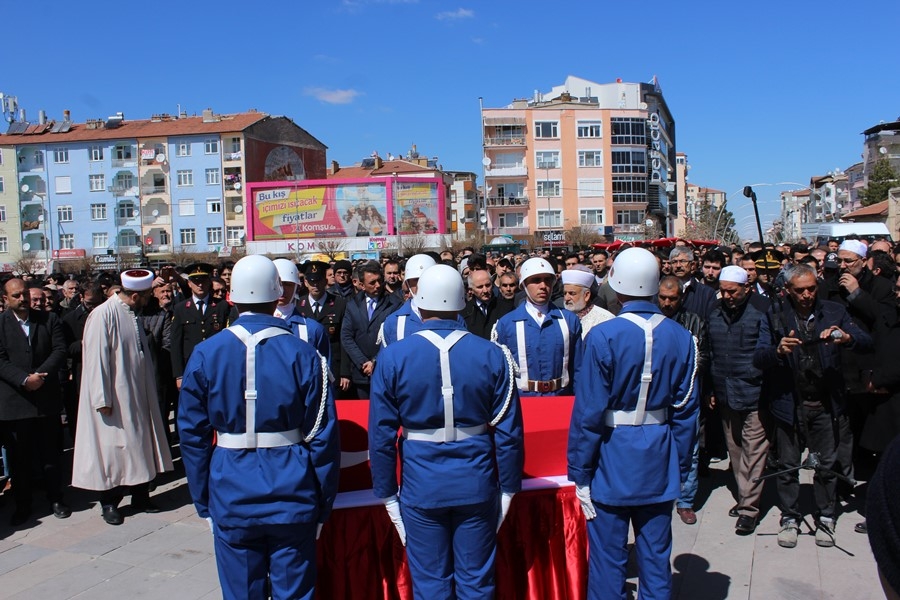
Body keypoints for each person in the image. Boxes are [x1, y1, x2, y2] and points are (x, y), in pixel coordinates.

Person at [178, 255, 340, 600]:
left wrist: (203, 499)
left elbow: (191, 436)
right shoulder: (304, 353)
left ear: (231, 297)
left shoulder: (206, 353)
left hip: (231, 489)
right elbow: (323, 435)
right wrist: (322, 501)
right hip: (291, 490)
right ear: (277, 294)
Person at [368, 264, 524, 599]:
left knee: (431, 585)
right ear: (461, 302)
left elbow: (381, 437)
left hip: (422, 486)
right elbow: (508, 433)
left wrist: (386, 493)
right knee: (476, 583)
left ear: (418, 301)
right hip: (476, 482)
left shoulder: (393, 357)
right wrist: (509, 487)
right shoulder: (492, 355)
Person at [568, 247, 699, 600]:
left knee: (608, 558)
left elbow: (589, 413)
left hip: (611, 455)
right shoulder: (681, 337)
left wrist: (579, 470)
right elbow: (687, 412)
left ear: (616, 283)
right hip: (658, 454)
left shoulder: (602, 336)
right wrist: (681, 464)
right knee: (655, 556)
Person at [754, 264, 872, 549]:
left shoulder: (834, 311)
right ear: (788, 290)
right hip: (789, 403)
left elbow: (867, 341)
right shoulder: (775, 314)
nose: (807, 294)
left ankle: (826, 516)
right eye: (800, 290)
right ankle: (790, 517)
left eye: (811, 288)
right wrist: (778, 351)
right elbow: (758, 358)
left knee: (826, 465)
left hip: (825, 403)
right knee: (788, 464)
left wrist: (847, 338)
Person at [71, 270, 174, 525]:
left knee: (140, 445)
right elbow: (96, 360)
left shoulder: (133, 314)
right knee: (114, 451)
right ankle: (109, 503)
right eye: (148, 294)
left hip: (138, 394)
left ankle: (140, 496)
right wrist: (102, 398)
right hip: (114, 397)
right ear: (136, 295)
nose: (151, 298)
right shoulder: (103, 314)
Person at [706, 266, 772, 535]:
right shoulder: (715, 315)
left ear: (745, 288)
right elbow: (710, 353)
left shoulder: (761, 314)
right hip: (724, 393)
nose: (727, 296)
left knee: (754, 453)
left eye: (732, 291)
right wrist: (711, 389)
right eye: (723, 291)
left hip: (754, 394)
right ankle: (746, 496)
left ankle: (748, 509)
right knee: (736, 451)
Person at [0, 278, 71, 526]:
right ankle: (23, 504)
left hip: (45, 399)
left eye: (25, 295)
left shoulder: (48, 320)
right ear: (6, 299)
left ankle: (56, 498)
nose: (23, 300)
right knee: (20, 459)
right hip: (15, 401)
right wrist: (23, 379)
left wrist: (39, 376)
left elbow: (60, 350)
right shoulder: (1, 324)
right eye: (16, 296)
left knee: (50, 454)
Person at [656, 276, 710, 526]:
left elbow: (702, 357)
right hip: (655, 394)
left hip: (686, 393)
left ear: (682, 298)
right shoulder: (652, 321)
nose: (667, 303)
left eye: (673, 298)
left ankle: (686, 501)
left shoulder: (694, 322)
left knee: (689, 448)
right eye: (663, 298)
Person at [493, 257, 582, 396]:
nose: (543, 286)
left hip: (561, 399)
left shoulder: (569, 320)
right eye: (536, 280)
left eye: (547, 280)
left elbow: (578, 368)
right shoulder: (506, 324)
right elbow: (500, 374)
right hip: (523, 402)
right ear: (524, 285)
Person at [341, 261, 402, 398]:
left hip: (384, 369)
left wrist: (375, 360)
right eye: (372, 282)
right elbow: (346, 336)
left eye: (380, 281)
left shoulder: (394, 304)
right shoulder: (352, 305)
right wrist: (363, 362)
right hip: (361, 373)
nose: (378, 286)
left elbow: (394, 336)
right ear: (362, 285)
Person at [171, 263, 233, 392]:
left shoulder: (222, 306)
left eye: (203, 280)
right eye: (195, 281)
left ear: (209, 282)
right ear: (189, 283)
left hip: (216, 365)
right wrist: (179, 375)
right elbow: (176, 343)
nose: (200, 284)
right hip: (191, 366)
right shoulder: (181, 309)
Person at [297, 261, 349, 397]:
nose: (315, 285)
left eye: (319, 281)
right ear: (306, 283)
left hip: (332, 366)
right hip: (306, 367)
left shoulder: (339, 304)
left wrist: (345, 372)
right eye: (311, 281)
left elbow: (344, 340)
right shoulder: (298, 306)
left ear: (325, 281)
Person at [272, 259, 331, 364]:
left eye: (288, 284)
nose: (282, 290)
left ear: (297, 287)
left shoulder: (313, 329)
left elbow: (324, 371)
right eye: (278, 283)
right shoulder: (256, 327)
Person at [379, 254, 436, 347]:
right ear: (407, 283)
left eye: (426, 278)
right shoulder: (393, 322)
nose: (421, 284)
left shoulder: (454, 317)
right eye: (416, 280)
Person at [560, 266, 614, 338]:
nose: (566, 298)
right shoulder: (560, 318)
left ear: (586, 295)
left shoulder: (606, 319)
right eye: (565, 293)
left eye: (572, 293)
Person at [462, 268, 513, 339]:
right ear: (471, 290)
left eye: (488, 285)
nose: (485, 290)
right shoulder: (464, 312)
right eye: (480, 287)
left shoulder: (507, 308)